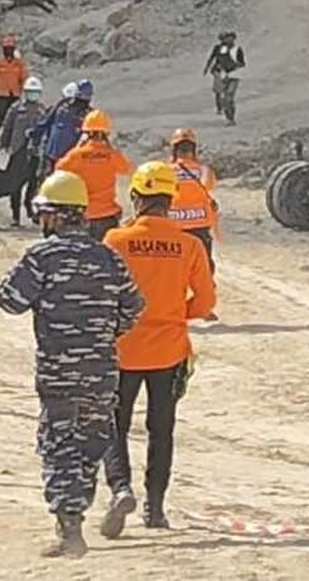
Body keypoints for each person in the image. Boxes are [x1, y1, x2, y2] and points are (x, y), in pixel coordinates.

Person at [0, 171, 144, 558]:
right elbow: (134, 307)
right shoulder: (108, 257)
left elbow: (9, 299)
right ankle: (77, 513)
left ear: (57, 215)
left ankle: (69, 529)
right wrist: (104, 332)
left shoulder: (42, 257)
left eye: (44, 213)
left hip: (59, 371)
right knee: (91, 443)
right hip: (101, 371)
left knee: (60, 445)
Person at [101, 162, 216, 536]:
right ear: (171, 200)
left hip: (123, 349)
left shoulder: (116, 240)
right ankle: (155, 508)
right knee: (161, 429)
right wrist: (174, 313)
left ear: (136, 197)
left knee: (114, 425)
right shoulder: (189, 245)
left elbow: (103, 293)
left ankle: (120, 488)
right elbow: (205, 302)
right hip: (169, 350)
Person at [55, 110, 132, 240]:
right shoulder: (111, 155)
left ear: (86, 133)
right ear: (106, 133)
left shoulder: (77, 155)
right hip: (107, 215)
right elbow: (127, 169)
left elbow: (59, 169)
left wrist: (78, 147)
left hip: (84, 215)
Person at [0, 76, 48, 227]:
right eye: (30, 91)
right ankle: (15, 216)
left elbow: (46, 130)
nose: (33, 94)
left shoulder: (42, 110)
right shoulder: (16, 108)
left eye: (35, 92)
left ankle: (29, 207)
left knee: (33, 182)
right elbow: (7, 127)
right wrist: (2, 144)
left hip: (34, 152)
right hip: (17, 151)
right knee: (15, 185)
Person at [168, 128, 219, 269]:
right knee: (203, 266)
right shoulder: (204, 171)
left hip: (175, 226)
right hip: (200, 224)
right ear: (194, 149)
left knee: (176, 267)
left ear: (174, 150)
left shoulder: (165, 171)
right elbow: (210, 186)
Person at [31, 79, 94, 177]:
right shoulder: (62, 105)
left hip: (68, 159)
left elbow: (91, 139)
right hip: (54, 155)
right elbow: (46, 122)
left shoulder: (88, 114)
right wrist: (35, 136)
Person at [0, 34, 29, 133]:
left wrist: (23, 92)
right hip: (0, 95)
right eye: (6, 48)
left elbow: (24, 78)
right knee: (1, 117)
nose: (8, 51)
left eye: (10, 48)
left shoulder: (19, 64)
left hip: (14, 95)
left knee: (13, 118)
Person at [203, 31, 245, 125]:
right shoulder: (220, 48)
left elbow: (242, 63)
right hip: (222, 74)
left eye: (229, 38)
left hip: (234, 75)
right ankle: (227, 116)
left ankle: (231, 118)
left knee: (229, 96)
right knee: (223, 97)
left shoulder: (237, 49)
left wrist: (234, 66)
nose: (227, 40)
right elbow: (216, 58)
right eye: (225, 38)